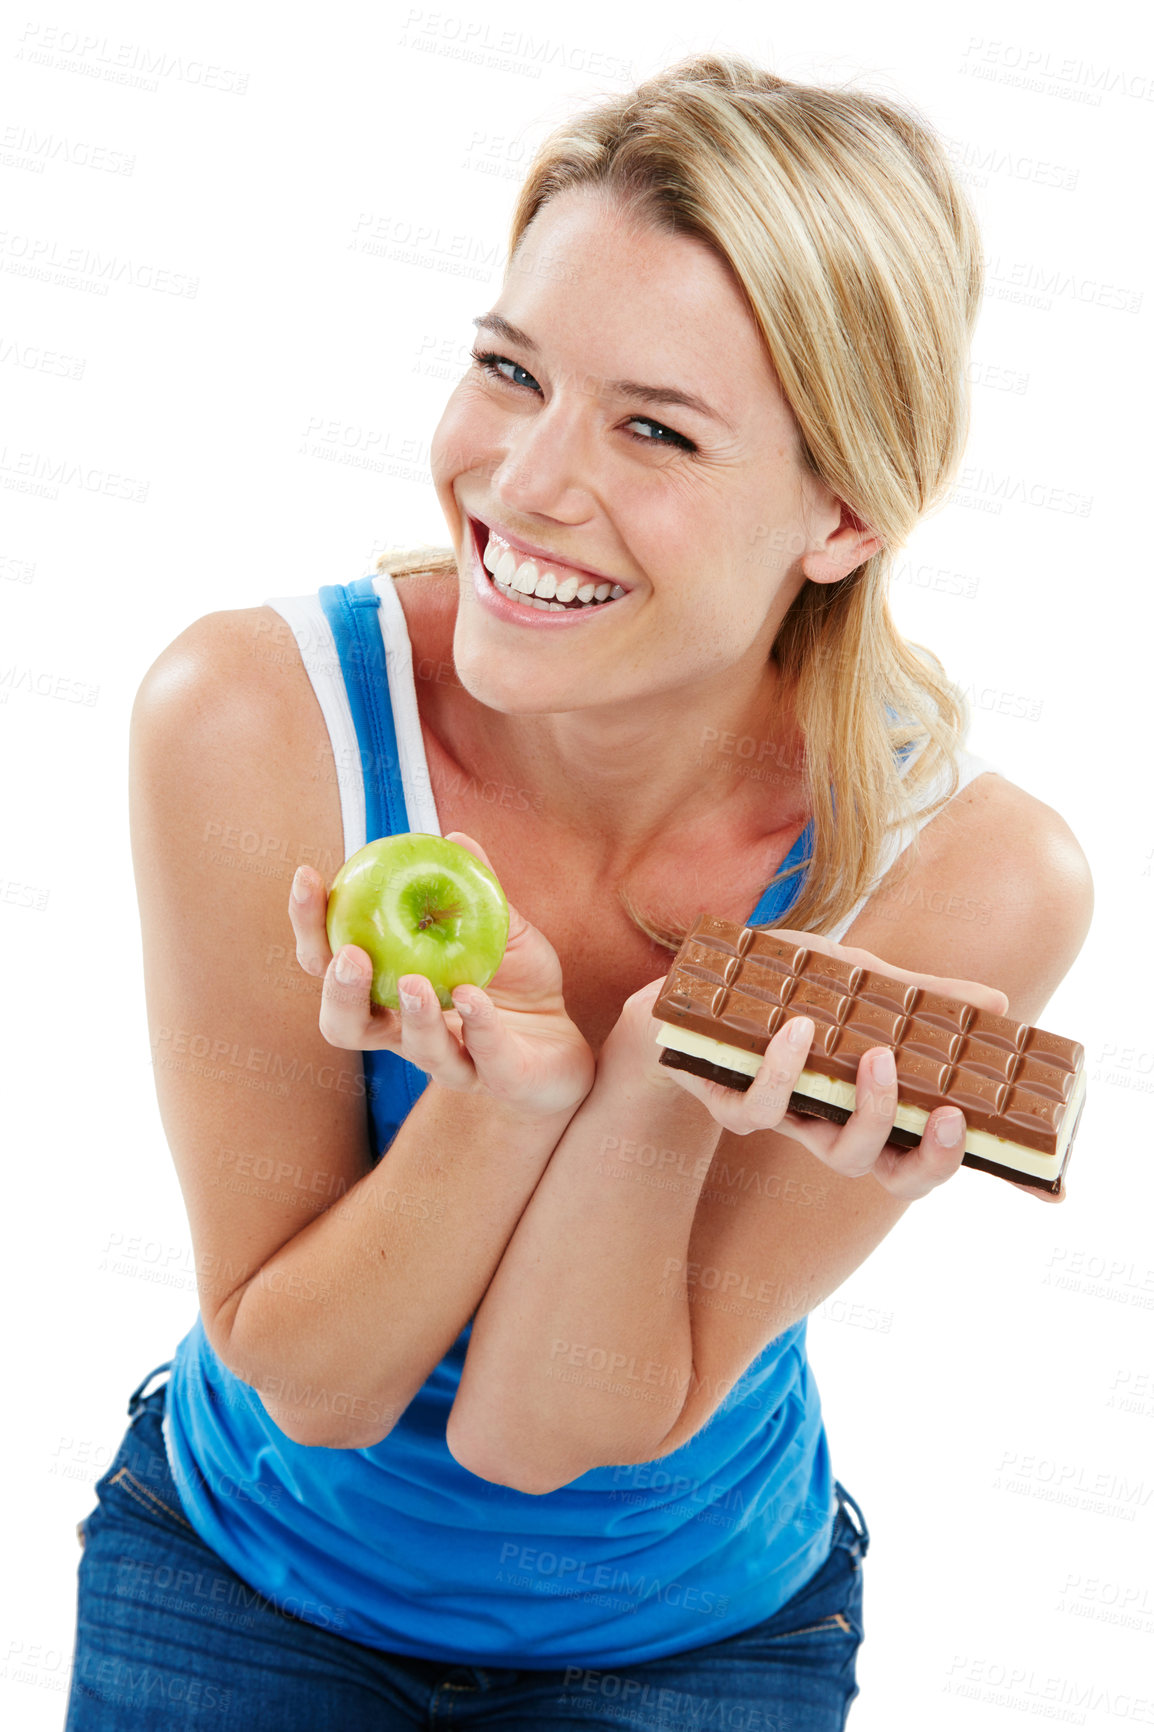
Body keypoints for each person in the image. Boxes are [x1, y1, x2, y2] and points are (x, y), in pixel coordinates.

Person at [65, 50, 1092, 1731]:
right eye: (508, 369)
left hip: (697, 1640)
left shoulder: (963, 878)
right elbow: (310, 1378)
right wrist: (499, 1101)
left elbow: (538, 1429)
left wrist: (656, 1081)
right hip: (240, 1579)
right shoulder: (259, 724)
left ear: (841, 513)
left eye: (656, 429)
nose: (527, 483)